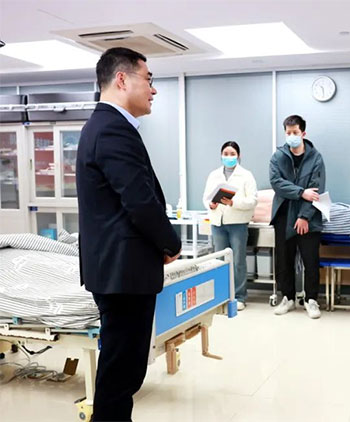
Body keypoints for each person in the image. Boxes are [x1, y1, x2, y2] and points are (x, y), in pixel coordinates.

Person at [76, 47, 181, 421]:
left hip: (119, 271)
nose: (153, 89)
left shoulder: (106, 127)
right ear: (122, 79)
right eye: (149, 79)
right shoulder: (112, 130)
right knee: (121, 373)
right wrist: (170, 243)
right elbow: (139, 201)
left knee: (123, 369)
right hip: (123, 274)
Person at [269, 115, 326, 319]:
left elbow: (317, 190)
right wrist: (301, 192)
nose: (291, 136)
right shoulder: (278, 156)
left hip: (308, 217)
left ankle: (311, 300)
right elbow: (276, 183)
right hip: (284, 214)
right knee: (284, 260)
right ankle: (288, 298)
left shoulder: (315, 157)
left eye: (295, 132)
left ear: (303, 133)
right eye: (288, 133)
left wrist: (304, 216)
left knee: (311, 260)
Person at [203, 141, 258, 311]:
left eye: (232, 154)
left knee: (238, 261)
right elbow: (206, 197)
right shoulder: (214, 175)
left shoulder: (246, 175)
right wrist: (210, 204)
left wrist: (233, 202)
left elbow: (253, 201)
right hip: (218, 223)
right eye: (225, 154)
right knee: (220, 261)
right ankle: (221, 295)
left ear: (238, 156)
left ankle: (239, 296)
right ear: (221, 155)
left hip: (238, 224)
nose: (229, 157)